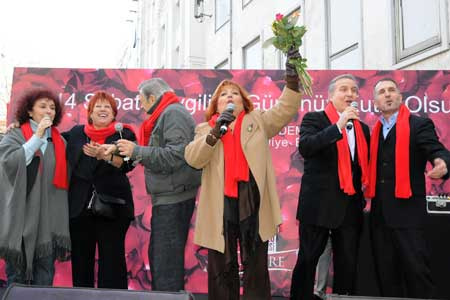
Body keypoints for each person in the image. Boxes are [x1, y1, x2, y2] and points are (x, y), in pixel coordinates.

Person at [184, 49, 303, 300]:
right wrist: (215, 133)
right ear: (216, 104)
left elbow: (284, 109)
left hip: (252, 199)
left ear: (244, 100)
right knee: (221, 263)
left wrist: (292, 79)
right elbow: (194, 159)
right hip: (221, 203)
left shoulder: (258, 121)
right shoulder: (206, 128)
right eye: (223, 95)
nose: (229, 97)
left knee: (255, 262)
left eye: (234, 93)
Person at [366, 78, 450, 299]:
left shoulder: (419, 124)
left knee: (417, 273)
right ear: (375, 102)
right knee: (386, 277)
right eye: (382, 92)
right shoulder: (372, 133)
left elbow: (434, 148)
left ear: (400, 97)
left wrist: (441, 162)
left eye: (391, 90)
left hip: (408, 215)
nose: (387, 94)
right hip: (379, 217)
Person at [114, 78, 201, 292]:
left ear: (152, 98)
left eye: (141, 101)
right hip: (170, 197)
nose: (141, 107)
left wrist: (137, 151)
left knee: (166, 268)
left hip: (174, 199)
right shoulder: (167, 113)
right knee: (162, 263)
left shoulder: (172, 113)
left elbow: (175, 156)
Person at [291, 74, 370, 300]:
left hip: (349, 208)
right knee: (307, 260)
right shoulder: (314, 119)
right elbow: (306, 147)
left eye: (354, 90)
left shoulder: (363, 129)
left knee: (348, 265)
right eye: (344, 89)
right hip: (318, 207)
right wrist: (339, 125)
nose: (350, 94)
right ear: (331, 95)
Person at [63, 91, 136, 289]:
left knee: (112, 263)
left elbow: (128, 165)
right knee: (81, 262)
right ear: (90, 112)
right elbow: (52, 140)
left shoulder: (124, 134)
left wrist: (105, 156)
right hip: (79, 208)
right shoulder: (76, 133)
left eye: (108, 107)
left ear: (114, 114)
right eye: (98, 106)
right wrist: (20, 126)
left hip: (114, 208)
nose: (103, 110)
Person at [0, 89, 71, 286]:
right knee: (17, 279)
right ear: (30, 112)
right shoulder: (14, 134)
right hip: (19, 221)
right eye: (43, 106)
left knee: (45, 278)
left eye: (52, 107)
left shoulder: (61, 142)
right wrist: (36, 136)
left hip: (48, 224)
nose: (49, 110)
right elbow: (9, 164)